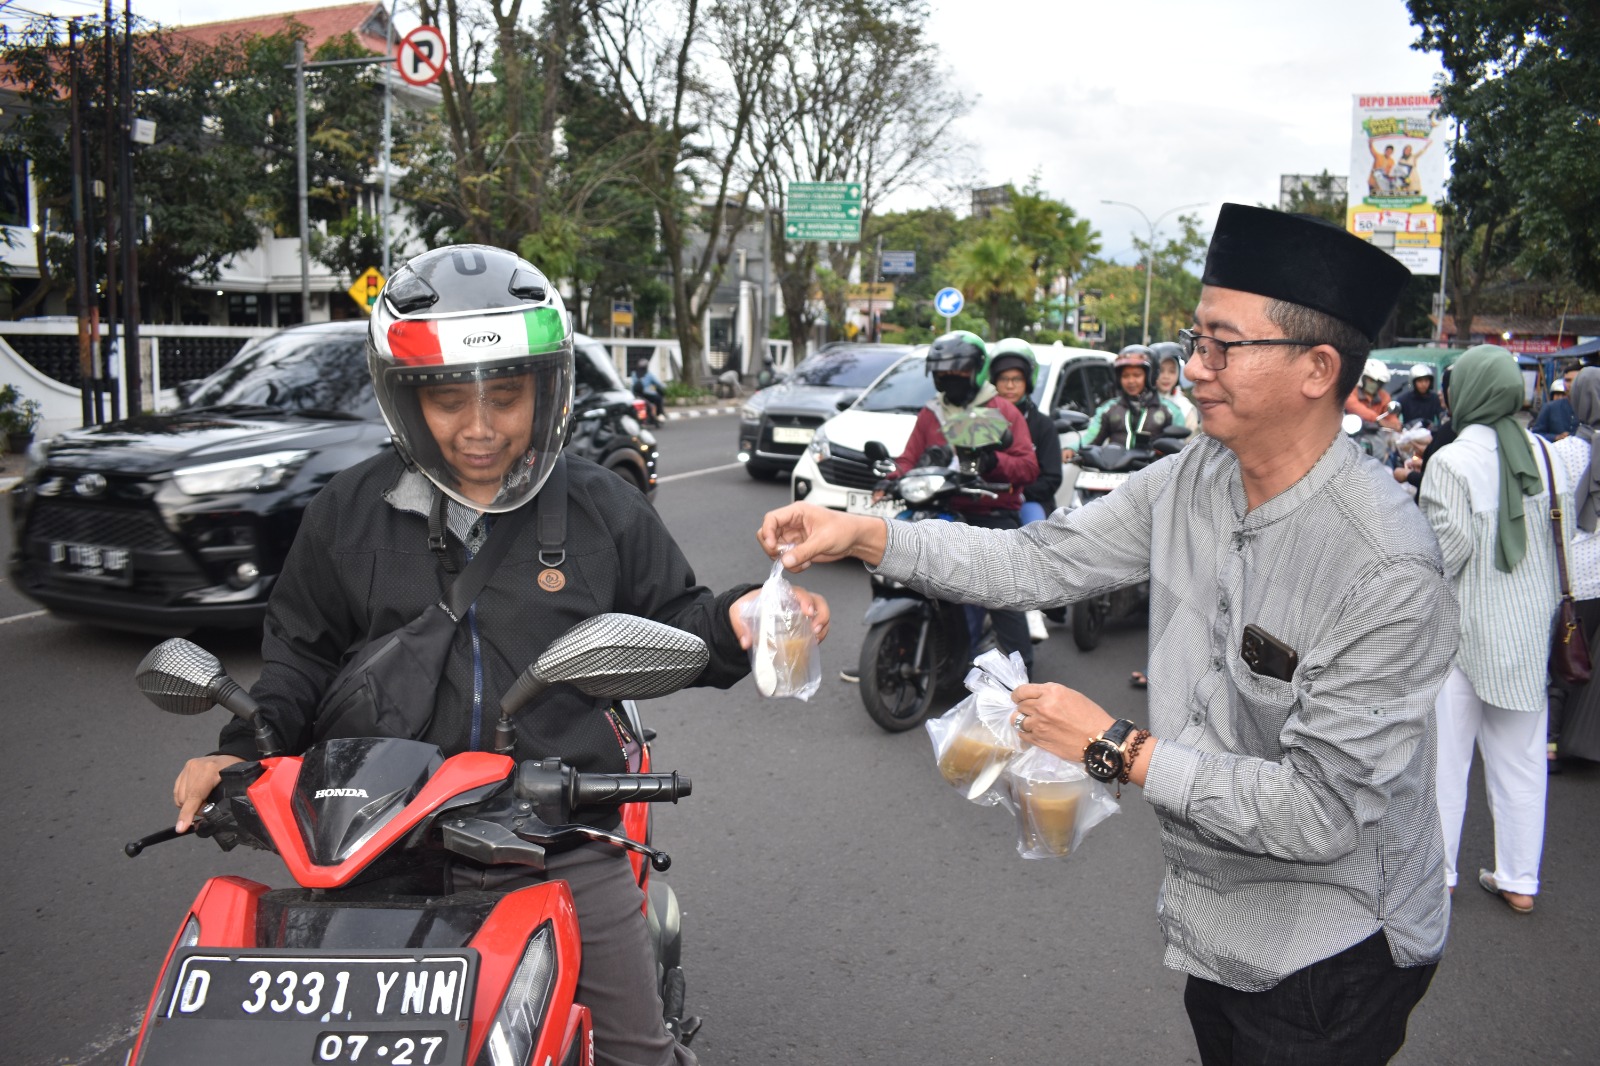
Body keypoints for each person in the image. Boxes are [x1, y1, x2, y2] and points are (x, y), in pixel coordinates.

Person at [759, 204, 1452, 1065]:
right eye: (1193, 339)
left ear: (1317, 368)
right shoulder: (1198, 475)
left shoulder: (1385, 566)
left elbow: (1322, 813)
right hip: (1213, 919)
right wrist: (865, 533)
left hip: (1333, 947)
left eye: (1221, 346)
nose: (1190, 369)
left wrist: (1117, 745)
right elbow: (1036, 563)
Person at [171, 245, 830, 1066]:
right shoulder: (347, 511)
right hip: (373, 836)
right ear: (408, 400)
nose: (480, 428)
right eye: (449, 401)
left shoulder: (600, 506)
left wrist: (746, 618)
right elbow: (299, 658)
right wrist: (240, 752)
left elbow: (676, 620)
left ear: (543, 391)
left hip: (556, 833)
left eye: (506, 398)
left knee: (637, 1053)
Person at [1419, 344, 1565, 915]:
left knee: (1445, 761)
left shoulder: (1452, 462)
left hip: (1461, 636)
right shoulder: (1548, 456)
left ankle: (1441, 874)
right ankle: (1519, 880)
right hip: (1528, 635)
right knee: (1523, 760)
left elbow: (1443, 556)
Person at [883, 329, 1039, 676]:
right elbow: (909, 460)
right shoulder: (931, 414)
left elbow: (1028, 466)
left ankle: (1020, 669)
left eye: (958, 371)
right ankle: (896, 647)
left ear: (977, 370)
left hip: (990, 510)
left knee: (1000, 586)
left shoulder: (1001, 411)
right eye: (942, 373)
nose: (950, 379)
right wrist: (891, 478)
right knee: (893, 562)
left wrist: (993, 463)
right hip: (942, 510)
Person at [989, 337, 1063, 642]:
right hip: (985, 500)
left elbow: (1051, 477)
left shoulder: (1043, 425)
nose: (1009, 386)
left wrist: (1020, 491)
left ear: (1027, 382)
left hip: (1025, 501)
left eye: (1016, 379)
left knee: (1033, 528)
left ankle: (1032, 604)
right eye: (1003, 379)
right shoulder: (982, 418)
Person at [1549, 366, 1600, 766]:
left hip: (1571, 575)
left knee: (1565, 658)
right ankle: (1585, 743)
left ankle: (1550, 744)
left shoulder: (1560, 452)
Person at [1066, 345, 1183, 457]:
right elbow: (1091, 437)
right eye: (1125, 376)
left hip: (1155, 475)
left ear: (1150, 377)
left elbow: (1179, 449)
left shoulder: (1171, 411)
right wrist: (1072, 449)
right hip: (1112, 473)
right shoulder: (1108, 409)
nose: (1131, 381)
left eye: (1137, 375)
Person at [1151, 341, 1201, 433]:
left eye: (1172, 371)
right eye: (1161, 371)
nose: (1166, 376)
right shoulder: (1140, 402)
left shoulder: (1186, 409)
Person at [1345, 357, 1401, 429]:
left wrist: (1395, 424)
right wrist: (1377, 419)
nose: (1374, 385)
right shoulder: (1350, 392)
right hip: (1350, 432)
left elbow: (1390, 416)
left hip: (1375, 434)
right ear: (1362, 378)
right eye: (1371, 380)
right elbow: (1356, 407)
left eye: (1379, 383)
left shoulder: (1384, 396)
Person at [1531, 368, 1579, 440]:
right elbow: (1536, 435)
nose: (1571, 384)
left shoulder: (1593, 410)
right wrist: (1556, 437)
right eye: (1567, 380)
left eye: (1575, 380)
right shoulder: (1550, 407)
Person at [1394, 363, 1445, 428]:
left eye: (1426, 381)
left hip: (1429, 435)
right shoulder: (1404, 399)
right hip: (1408, 435)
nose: (1424, 384)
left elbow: (1442, 417)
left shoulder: (1435, 398)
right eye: (1420, 381)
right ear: (1413, 382)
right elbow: (1394, 418)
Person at [631, 356, 666, 426]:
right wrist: (665, 386)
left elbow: (632, 385)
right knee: (658, 399)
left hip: (635, 395)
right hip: (646, 395)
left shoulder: (634, 374)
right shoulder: (649, 375)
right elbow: (658, 384)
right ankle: (659, 414)